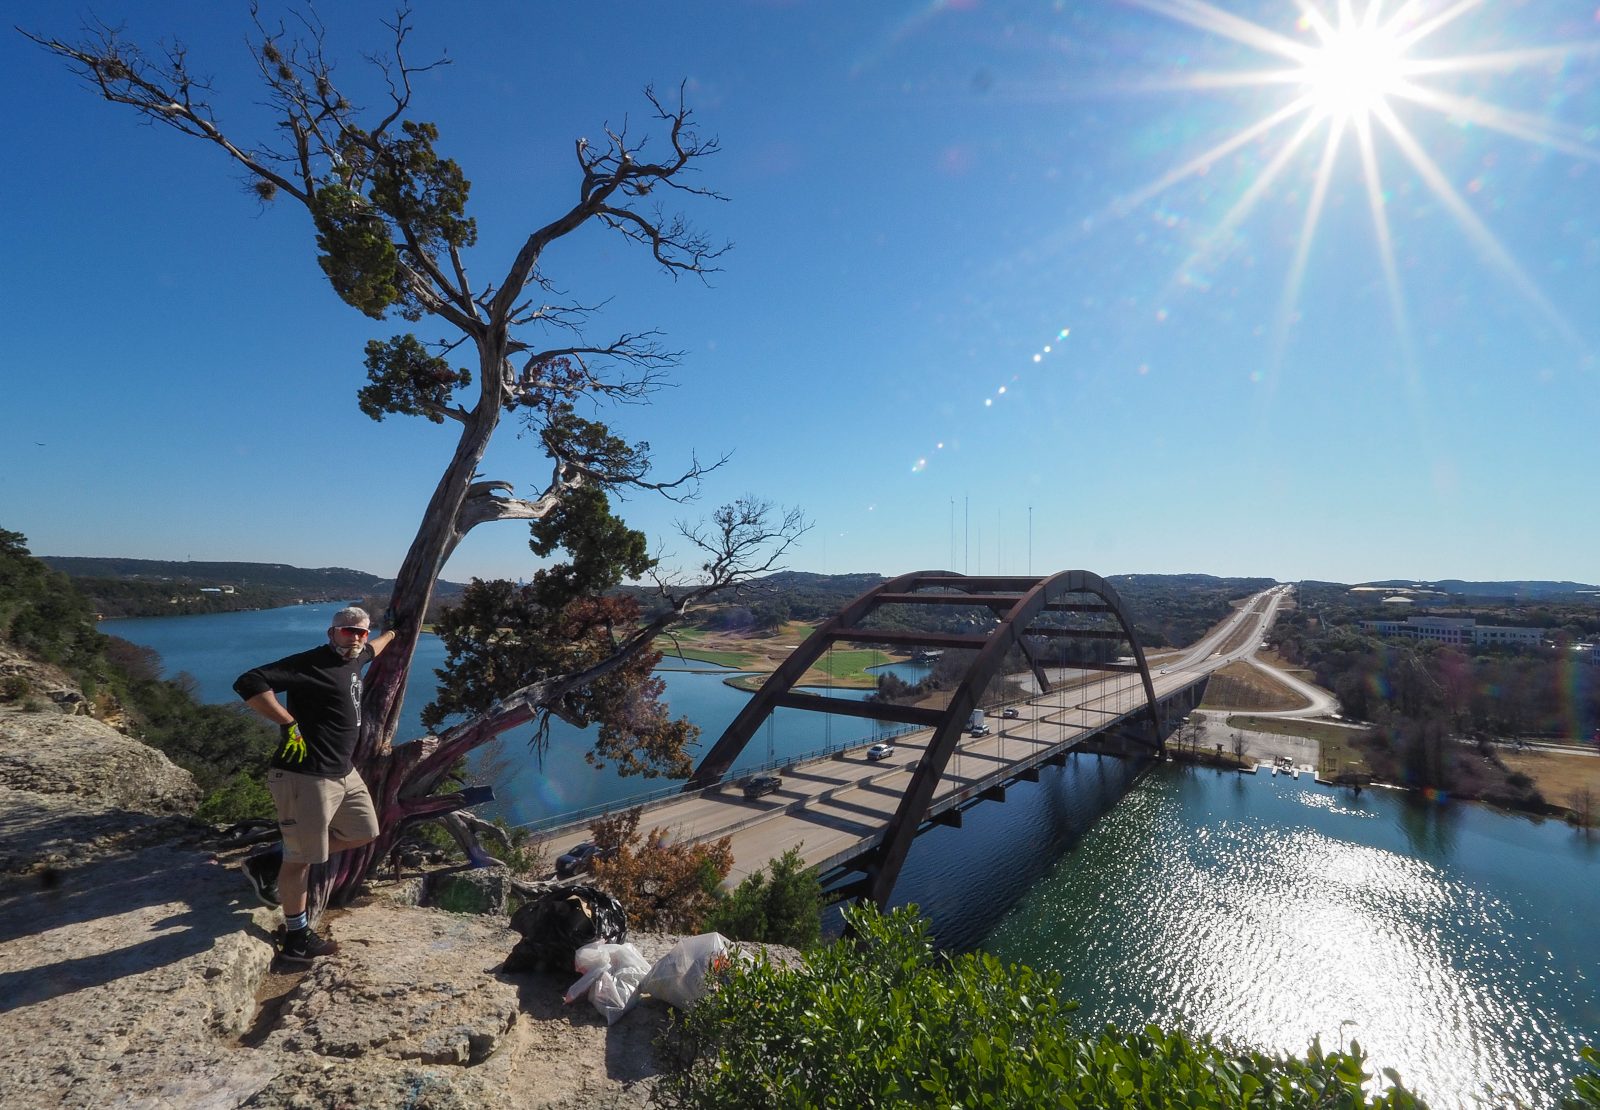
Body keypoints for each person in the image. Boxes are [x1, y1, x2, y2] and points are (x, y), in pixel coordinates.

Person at [233, 605, 398, 962]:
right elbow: (248, 682)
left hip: (342, 771)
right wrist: (287, 722)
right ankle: (297, 937)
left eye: (360, 632)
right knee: (304, 858)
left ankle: (270, 860)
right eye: (347, 631)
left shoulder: (355, 657)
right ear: (331, 632)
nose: (355, 638)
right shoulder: (310, 664)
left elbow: (375, 648)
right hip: (304, 776)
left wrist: (392, 634)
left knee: (365, 831)